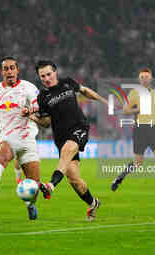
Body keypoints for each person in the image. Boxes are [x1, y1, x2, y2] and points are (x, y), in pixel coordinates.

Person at [23, 60, 107, 221]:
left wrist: (104, 101)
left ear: (55, 72)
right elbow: (46, 123)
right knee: (75, 180)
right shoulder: (42, 97)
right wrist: (32, 117)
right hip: (60, 137)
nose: (47, 78)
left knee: (67, 150)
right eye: (43, 76)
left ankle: (51, 186)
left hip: (79, 129)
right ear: (39, 78)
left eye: (49, 74)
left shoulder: (67, 82)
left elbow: (85, 91)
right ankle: (93, 203)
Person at [0, 56, 41, 220]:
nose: (9, 71)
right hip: (7, 136)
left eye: (12, 68)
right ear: (1, 72)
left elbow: (37, 103)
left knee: (34, 184)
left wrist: (30, 110)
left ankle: (30, 205)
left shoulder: (28, 87)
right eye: (6, 68)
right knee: (2, 157)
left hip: (27, 138)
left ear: (17, 70)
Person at [111, 68, 155, 197]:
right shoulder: (134, 93)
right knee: (138, 162)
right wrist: (139, 108)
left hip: (154, 128)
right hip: (140, 129)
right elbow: (125, 110)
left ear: (151, 78)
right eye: (142, 77)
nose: (144, 79)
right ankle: (119, 179)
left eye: (146, 76)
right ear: (139, 79)